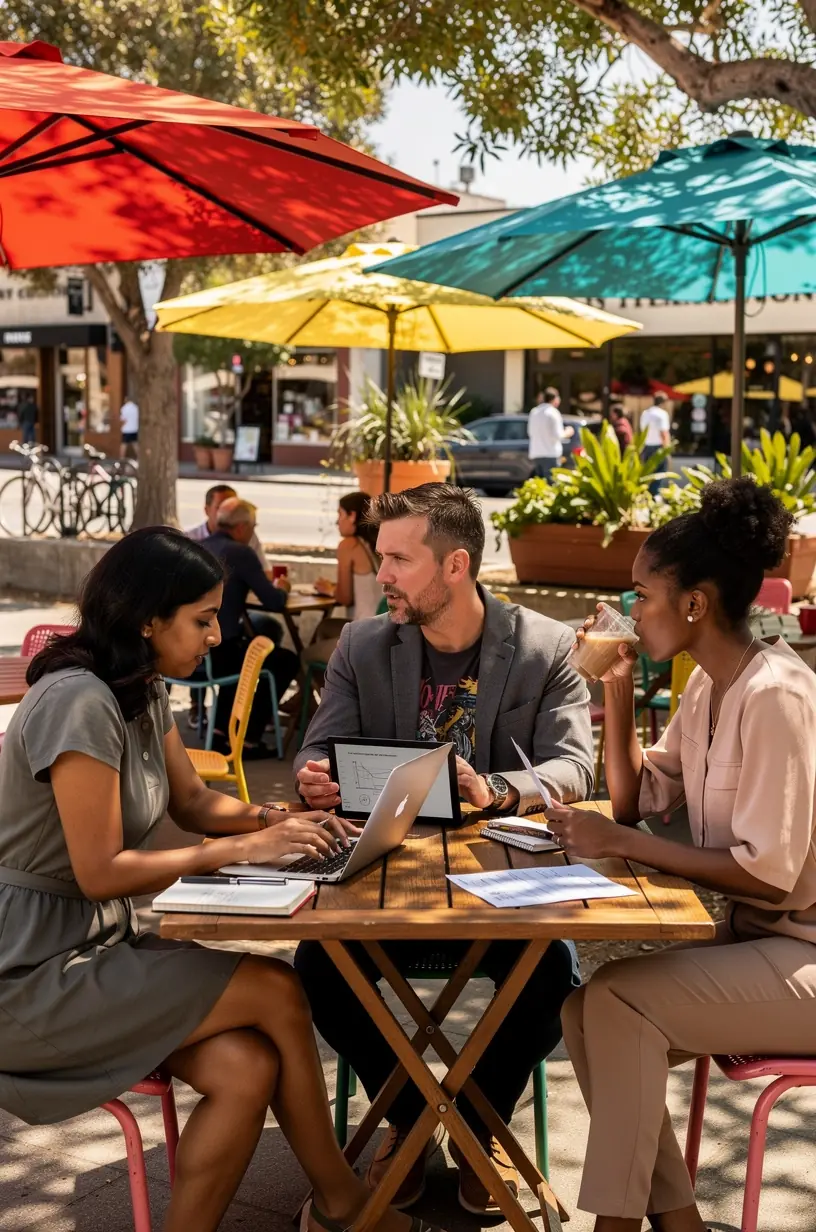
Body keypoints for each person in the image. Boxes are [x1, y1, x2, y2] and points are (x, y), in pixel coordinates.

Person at [0, 527, 443, 1232]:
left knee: (244, 1068)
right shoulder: (79, 701)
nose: (217, 634)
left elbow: (195, 801)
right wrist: (239, 851)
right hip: (27, 973)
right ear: (148, 619)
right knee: (275, 987)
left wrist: (283, 820)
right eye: (203, 618)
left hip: (92, 949)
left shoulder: (137, 691)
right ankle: (344, 1207)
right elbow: (98, 871)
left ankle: (325, 1208)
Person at [293, 482, 593, 1215]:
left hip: (499, 891)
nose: (382, 574)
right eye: (380, 557)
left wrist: (494, 788)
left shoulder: (543, 645)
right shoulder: (364, 645)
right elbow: (318, 748)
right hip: (381, 883)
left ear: (455, 565)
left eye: (398, 559)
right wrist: (314, 779)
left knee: (553, 971)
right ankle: (409, 1120)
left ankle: (478, 1126)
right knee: (314, 965)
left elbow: (575, 767)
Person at [543, 478, 816, 1232]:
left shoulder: (777, 695)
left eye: (639, 596)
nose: (625, 613)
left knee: (617, 1000)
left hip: (803, 957)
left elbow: (770, 871)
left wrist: (624, 845)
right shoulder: (705, 689)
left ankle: (620, 1226)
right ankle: (678, 1222)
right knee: (583, 1009)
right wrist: (621, 693)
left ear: (694, 604)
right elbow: (635, 802)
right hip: (758, 944)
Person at [203, 498, 298, 758]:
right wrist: (284, 587)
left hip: (194, 653)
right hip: (220, 654)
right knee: (285, 661)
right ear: (243, 527)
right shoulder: (240, 553)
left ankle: (222, 732)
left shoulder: (197, 546)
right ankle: (249, 739)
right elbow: (274, 601)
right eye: (254, 526)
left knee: (245, 643)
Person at [307, 490, 382, 665]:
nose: (336, 521)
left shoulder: (349, 545)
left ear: (352, 516)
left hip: (363, 632)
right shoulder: (376, 544)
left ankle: (323, 691)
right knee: (325, 628)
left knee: (305, 657)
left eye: (340, 514)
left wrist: (329, 590)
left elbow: (345, 598)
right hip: (382, 628)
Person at [527, 386, 574, 480]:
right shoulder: (553, 413)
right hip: (550, 454)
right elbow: (558, 435)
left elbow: (530, 432)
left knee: (539, 485)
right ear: (555, 399)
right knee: (551, 485)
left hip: (536, 453)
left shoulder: (534, 412)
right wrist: (568, 432)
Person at [120, 396, 139, 460]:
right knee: (135, 444)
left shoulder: (124, 408)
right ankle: (139, 458)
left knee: (124, 445)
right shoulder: (136, 408)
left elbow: (123, 419)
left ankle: (122, 459)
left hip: (127, 429)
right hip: (134, 429)